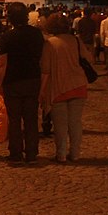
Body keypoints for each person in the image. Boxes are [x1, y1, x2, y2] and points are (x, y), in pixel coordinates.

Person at [0, 2, 45, 163]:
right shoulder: (37, 34)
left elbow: (2, 63)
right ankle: (31, 153)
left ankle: (15, 153)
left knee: (14, 119)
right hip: (32, 79)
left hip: (13, 81)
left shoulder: (7, 36)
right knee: (31, 118)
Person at [40, 13, 90, 163]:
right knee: (75, 122)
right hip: (78, 84)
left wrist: (41, 92)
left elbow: (45, 71)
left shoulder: (50, 44)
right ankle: (75, 154)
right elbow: (89, 59)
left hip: (59, 87)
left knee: (60, 124)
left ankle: (61, 154)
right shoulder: (76, 40)